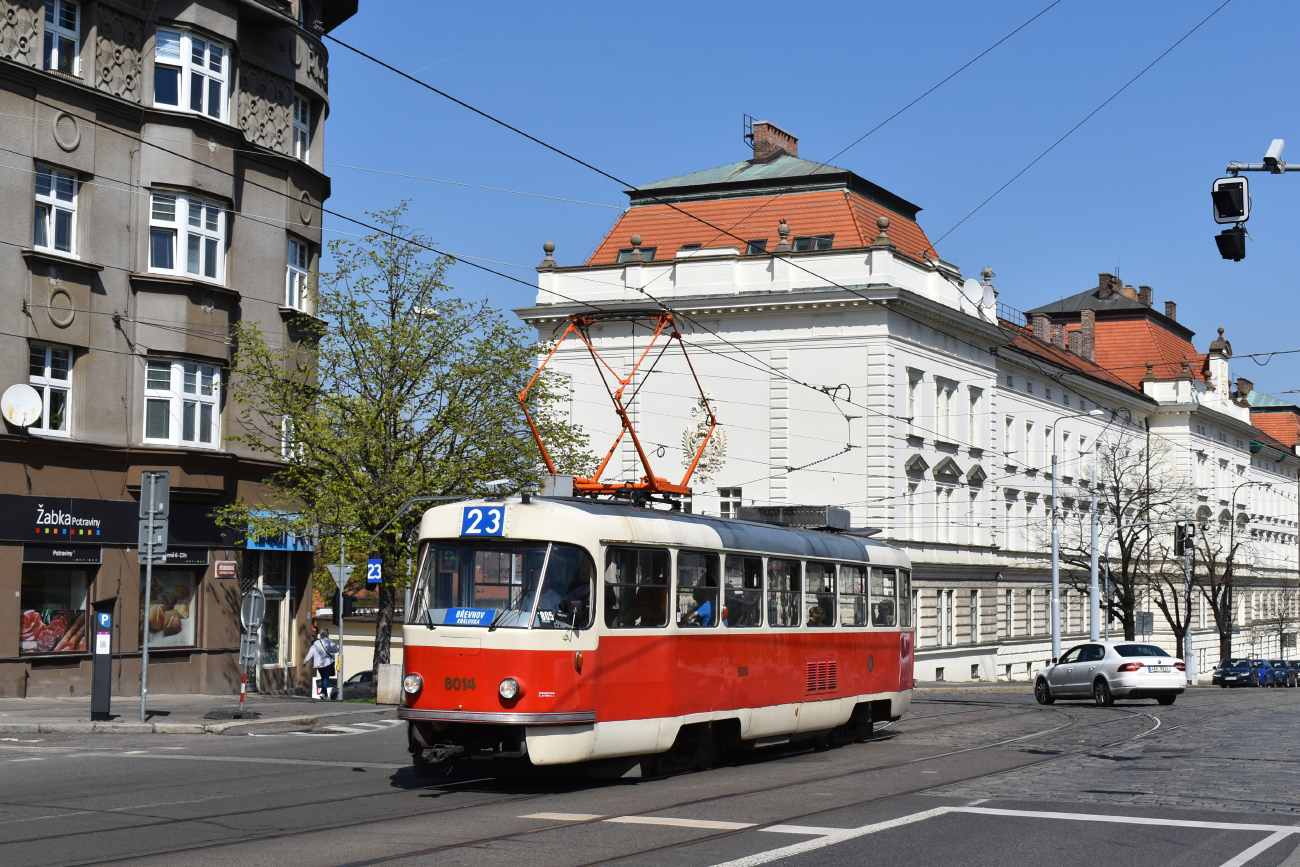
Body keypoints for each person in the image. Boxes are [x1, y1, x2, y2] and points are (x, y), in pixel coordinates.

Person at [307, 629, 339, 699]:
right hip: (328, 663)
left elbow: (311, 652)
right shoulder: (330, 642)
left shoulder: (316, 643)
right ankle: (323, 692)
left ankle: (325, 695)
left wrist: (305, 661)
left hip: (319, 664)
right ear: (327, 634)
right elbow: (337, 650)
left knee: (323, 678)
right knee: (325, 678)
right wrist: (330, 650)